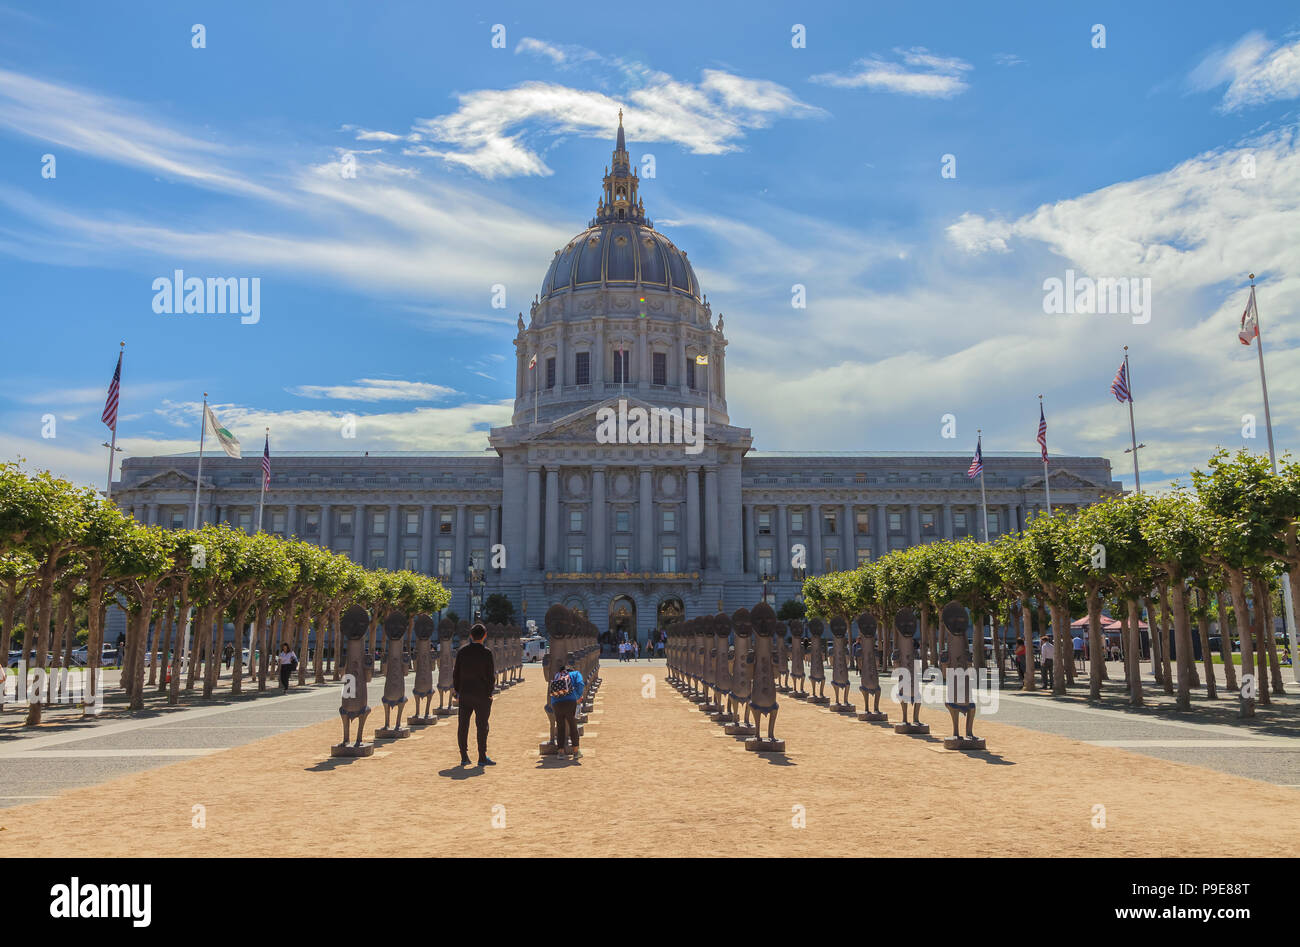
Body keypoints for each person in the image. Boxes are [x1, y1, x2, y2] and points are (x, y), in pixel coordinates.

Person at [452, 622, 495, 766]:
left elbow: (456, 673)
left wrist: (457, 691)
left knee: (463, 726)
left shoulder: (462, 652)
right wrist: (489, 692)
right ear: (485, 636)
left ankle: (464, 756)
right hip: (482, 694)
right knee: (482, 726)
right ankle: (482, 757)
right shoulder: (487, 653)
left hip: (465, 693)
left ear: (470, 635)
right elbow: (490, 676)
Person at [548, 655, 585, 760]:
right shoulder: (575, 674)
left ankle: (560, 752)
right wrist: (577, 697)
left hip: (556, 703)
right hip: (570, 702)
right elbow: (580, 684)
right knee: (573, 726)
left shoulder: (557, 675)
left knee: (560, 727)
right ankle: (576, 751)